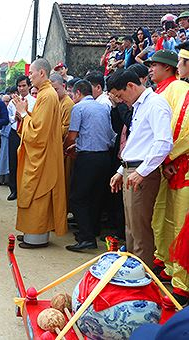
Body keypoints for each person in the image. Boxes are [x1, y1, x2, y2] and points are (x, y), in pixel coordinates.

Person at [108, 69, 173, 268]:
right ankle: (133, 275)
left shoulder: (155, 104)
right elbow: (138, 142)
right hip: (132, 169)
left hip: (141, 172)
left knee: (140, 230)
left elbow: (163, 142)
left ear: (131, 86)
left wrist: (142, 171)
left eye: (120, 95)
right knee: (131, 228)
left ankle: (143, 277)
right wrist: (121, 171)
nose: (121, 100)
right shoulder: (139, 106)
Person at [147, 47, 189, 303]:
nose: (150, 69)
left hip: (180, 166)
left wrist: (168, 156)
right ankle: (167, 266)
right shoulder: (160, 92)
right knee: (162, 217)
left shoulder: (181, 90)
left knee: (179, 223)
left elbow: (184, 129)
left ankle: (181, 282)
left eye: (155, 65)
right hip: (167, 165)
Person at [13, 58, 66, 249]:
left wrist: (24, 113)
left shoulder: (47, 95)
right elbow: (38, 123)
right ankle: (31, 231)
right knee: (33, 193)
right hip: (42, 153)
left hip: (42, 156)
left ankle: (36, 235)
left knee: (36, 193)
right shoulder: (46, 94)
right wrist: (26, 112)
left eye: (31, 73)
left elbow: (38, 133)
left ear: (41, 73)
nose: (30, 77)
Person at [64, 80, 116, 252]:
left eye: (72, 94)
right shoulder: (103, 107)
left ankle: (87, 238)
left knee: (77, 198)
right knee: (95, 196)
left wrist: (65, 147)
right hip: (104, 157)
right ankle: (92, 231)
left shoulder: (78, 108)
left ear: (78, 93)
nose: (72, 97)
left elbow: (72, 136)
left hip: (87, 158)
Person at [7, 75, 36, 201]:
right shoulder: (13, 102)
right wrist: (16, 117)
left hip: (28, 133)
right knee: (13, 161)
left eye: (24, 85)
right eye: (19, 86)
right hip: (15, 132)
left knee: (27, 162)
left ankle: (26, 190)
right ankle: (14, 190)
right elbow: (9, 118)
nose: (21, 88)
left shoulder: (35, 101)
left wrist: (25, 115)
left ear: (29, 86)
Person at [50, 73, 74, 207]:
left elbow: (67, 128)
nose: (54, 93)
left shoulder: (67, 104)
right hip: (54, 148)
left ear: (63, 86)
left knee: (63, 184)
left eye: (56, 89)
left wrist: (49, 132)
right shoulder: (55, 102)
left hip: (64, 149)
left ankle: (61, 215)